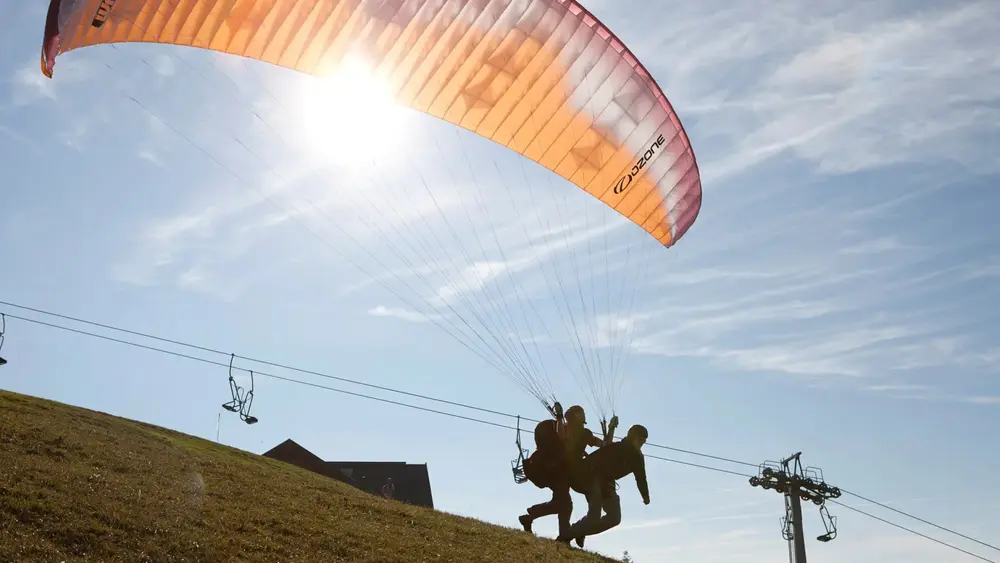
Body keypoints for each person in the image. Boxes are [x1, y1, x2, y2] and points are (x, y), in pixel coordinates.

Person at [518, 404, 603, 538]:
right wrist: (558, 416)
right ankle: (556, 530)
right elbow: (563, 438)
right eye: (582, 413)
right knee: (563, 504)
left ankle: (537, 520)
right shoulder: (566, 429)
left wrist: (609, 429)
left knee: (564, 503)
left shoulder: (579, 432)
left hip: (559, 471)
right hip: (556, 471)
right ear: (577, 416)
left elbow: (603, 444)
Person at [557, 424, 650, 545]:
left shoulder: (638, 458)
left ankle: (579, 531)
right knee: (594, 517)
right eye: (640, 440)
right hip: (591, 477)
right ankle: (565, 536)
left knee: (614, 518)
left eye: (644, 441)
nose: (642, 444)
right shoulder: (616, 448)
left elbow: (641, 478)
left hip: (606, 483)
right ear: (632, 437)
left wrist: (645, 496)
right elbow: (594, 462)